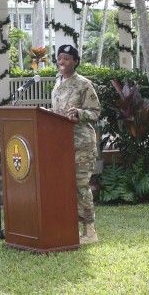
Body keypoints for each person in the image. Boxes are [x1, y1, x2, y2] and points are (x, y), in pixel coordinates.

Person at [51, 44, 101, 244]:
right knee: (64, 186)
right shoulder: (57, 83)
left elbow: (95, 112)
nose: (62, 62)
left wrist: (79, 114)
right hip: (60, 143)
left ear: (75, 61)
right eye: (60, 58)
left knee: (80, 186)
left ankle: (90, 231)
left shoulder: (83, 84)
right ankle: (69, 227)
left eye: (67, 59)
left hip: (81, 144)